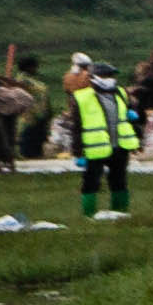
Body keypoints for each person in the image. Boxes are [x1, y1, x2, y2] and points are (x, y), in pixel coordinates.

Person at [62, 53, 135, 215]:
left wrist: (135, 120)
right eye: (104, 75)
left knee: (119, 182)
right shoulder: (82, 97)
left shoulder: (121, 94)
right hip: (94, 149)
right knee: (90, 183)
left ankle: (120, 212)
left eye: (110, 75)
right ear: (93, 77)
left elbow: (128, 117)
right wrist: (78, 152)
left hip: (119, 147)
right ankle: (89, 214)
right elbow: (77, 128)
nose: (108, 78)